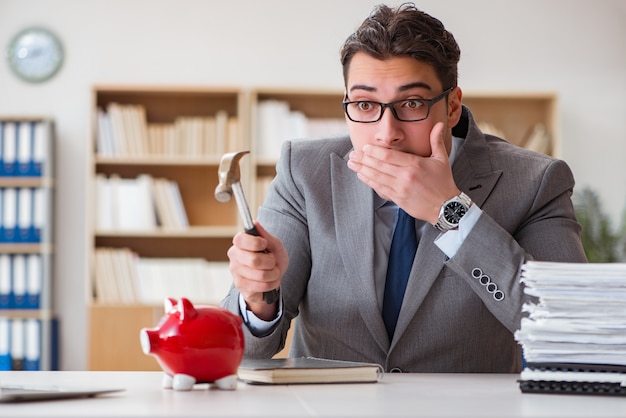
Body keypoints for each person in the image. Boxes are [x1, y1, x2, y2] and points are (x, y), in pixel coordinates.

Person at [221, 3, 587, 373]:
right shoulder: (305, 172)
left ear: (453, 106)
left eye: (412, 103)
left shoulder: (536, 181)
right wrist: (258, 299)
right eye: (365, 104)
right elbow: (240, 350)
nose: (386, 133)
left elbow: (570, 331)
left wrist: (450, 211)